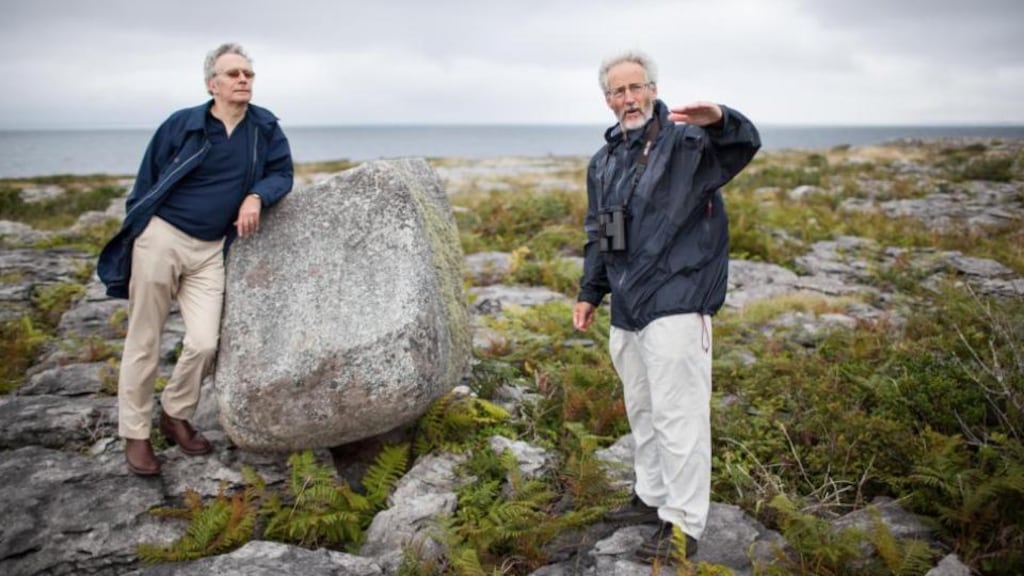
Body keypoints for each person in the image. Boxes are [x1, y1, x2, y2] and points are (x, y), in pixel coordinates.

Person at [572, 50, 760, 563]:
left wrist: (721, 118)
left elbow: (743, 145)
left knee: (680, 417)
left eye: (637, 88)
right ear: (606, 99)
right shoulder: (605, 161)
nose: (628, 98)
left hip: (678, 300)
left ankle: (683, 524)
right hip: (628, 307)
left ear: (653, 90)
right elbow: (602, 234)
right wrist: (592, 293)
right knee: (645, 410)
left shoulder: (689, 143)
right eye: (618, 91)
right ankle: (650, 498)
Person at [97, 43, 293, 476]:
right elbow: (147, 180)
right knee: (143, 340)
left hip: (210, 250)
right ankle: (135, 434)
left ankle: (175, 413)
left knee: (204, 342)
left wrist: (257, 195)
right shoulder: (182, 125)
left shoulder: (264, 127)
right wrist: (141, 232)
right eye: (233, 74)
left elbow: (283, 173)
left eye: (248, 73)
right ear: (212, 84)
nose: (243, 80)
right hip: (162, 238)